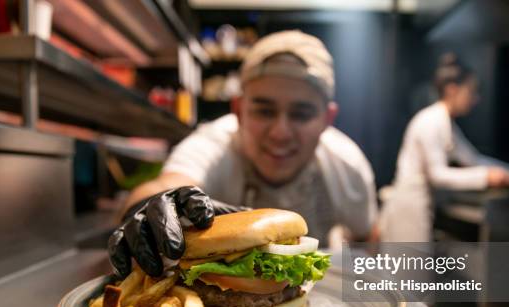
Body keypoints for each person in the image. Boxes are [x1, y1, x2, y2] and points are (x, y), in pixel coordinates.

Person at [108, 30, 377, 278]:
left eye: (302, 114)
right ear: (238, 110)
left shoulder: (347, 164)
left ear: (327, 120)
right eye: (264, 111)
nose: (280, 133)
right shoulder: (214, 144)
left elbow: (368, 238)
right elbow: (166, 184)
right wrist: (144, 208)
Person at [379, 53, 509, 242]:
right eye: (471, 91)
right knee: (408, 270)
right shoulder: (431, 121)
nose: (475, 98)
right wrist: (486, 177)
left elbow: (473, 159)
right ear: (452, 90)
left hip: (419, 207)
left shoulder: (447, 124)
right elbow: (437, 175)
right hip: (408, 209)